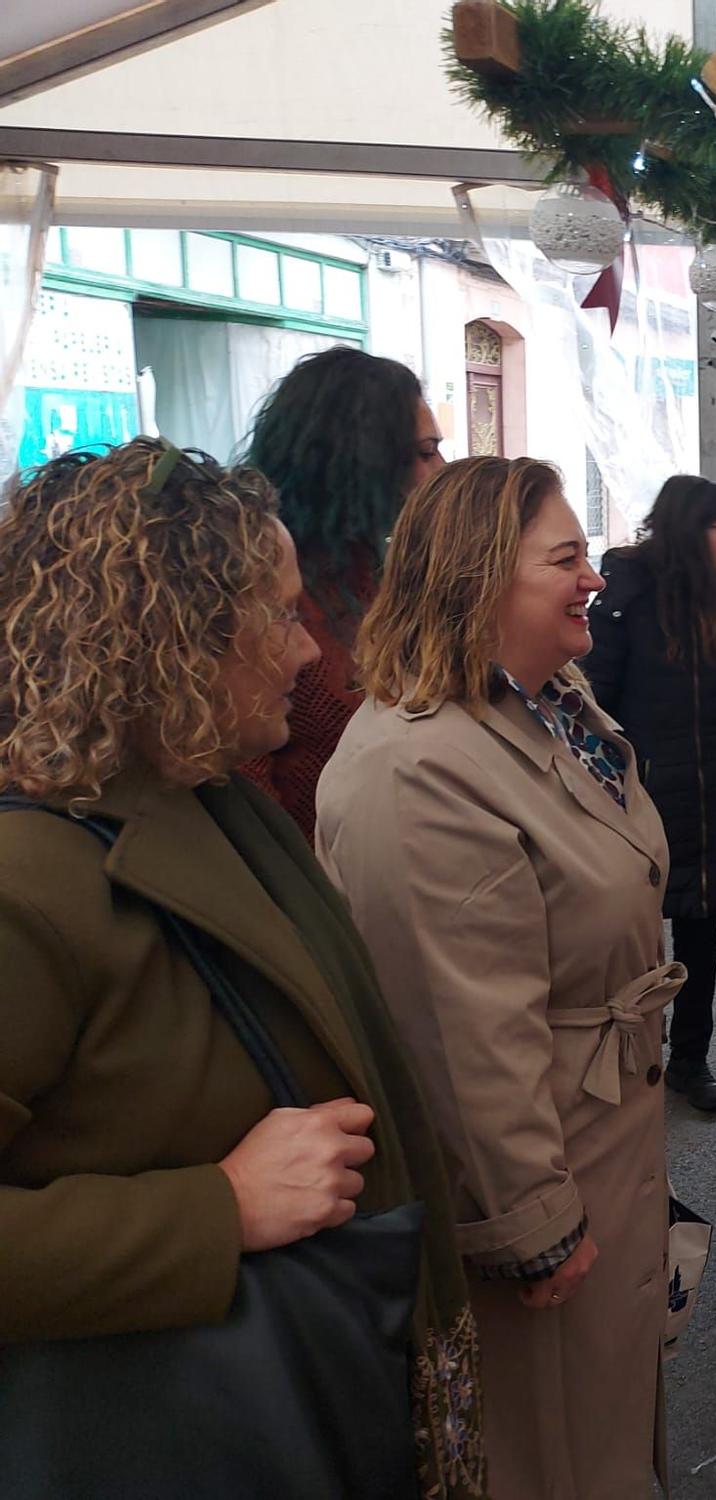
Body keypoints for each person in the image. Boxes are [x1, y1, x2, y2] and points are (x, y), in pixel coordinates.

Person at [0, 439, 483, 1498]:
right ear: (168, 638)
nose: (314, 654)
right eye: (277, 614)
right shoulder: (30, 879)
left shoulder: (201, 791)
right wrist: (213, 1211)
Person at [316, 456, 685, 1500]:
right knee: (549, 1446)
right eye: (564, 558)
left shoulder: (541, 700)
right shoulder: (419, 769)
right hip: (548, 1160)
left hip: (599, 1127)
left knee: (600, 1417)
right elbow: (459, 1029)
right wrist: (534, 1224)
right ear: (480, 580)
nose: (592, 577)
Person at [584, 477, 716, 1112]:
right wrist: (617, 783)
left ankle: (690, 1061)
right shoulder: (627, 596)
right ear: (691, 531)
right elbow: (593, 700)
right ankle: (634, 1056)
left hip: (714, 799)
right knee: (633, 941)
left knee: (700, 940)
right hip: (638, 802)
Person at [238, 347, 446, 841]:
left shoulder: (383, 579)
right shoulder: (254, 590)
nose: (440, 469)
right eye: (422, 453)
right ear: (359, 459)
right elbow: (244, 797)